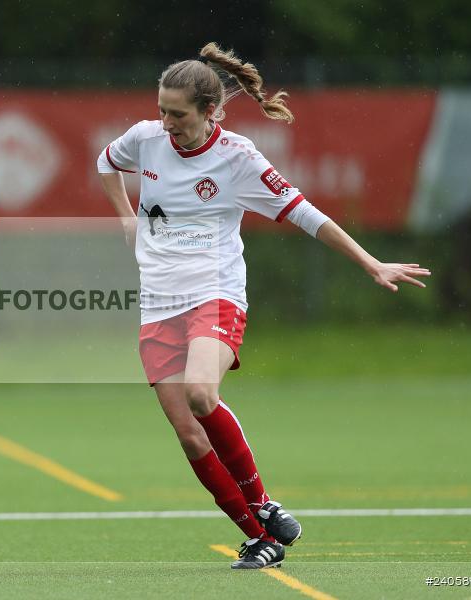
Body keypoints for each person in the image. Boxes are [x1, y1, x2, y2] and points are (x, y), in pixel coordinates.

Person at [97, 43, 431, 569]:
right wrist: (124, 216)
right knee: (188, 434)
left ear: (211, 112)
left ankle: (265, 502)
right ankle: (260, 534)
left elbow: (305, 213)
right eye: (161, 109)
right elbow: (106, 162)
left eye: (178, 114)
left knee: (201, 395)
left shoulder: (239, 157)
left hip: (215, 292)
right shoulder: (145, 138)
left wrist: (370, 262)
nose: (165, 123)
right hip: (158, 304)